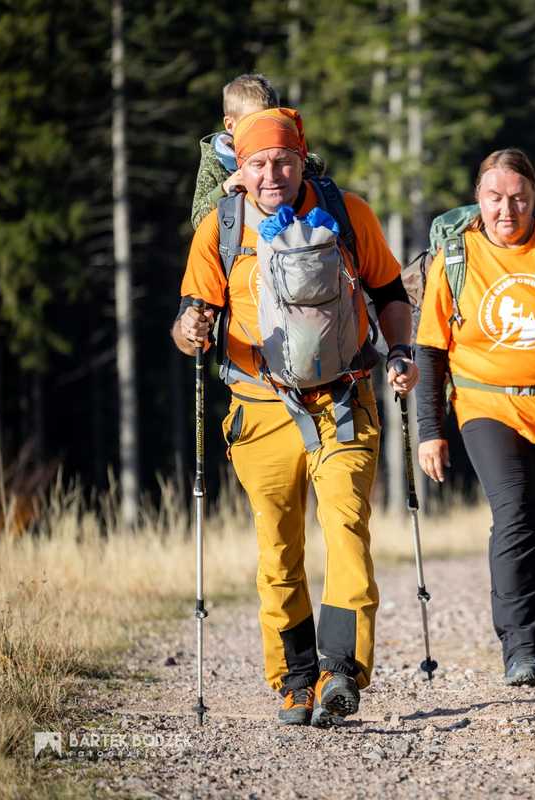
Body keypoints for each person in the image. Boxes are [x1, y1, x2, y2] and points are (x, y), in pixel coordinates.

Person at [171, 106, 418, 727]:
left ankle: (341, 671)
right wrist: (191, 329)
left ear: (302, 157)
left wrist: (402, 351)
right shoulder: (221, 228)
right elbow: (190, 316)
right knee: (278, 550)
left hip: (343, 399)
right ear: (240, 168)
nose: (272, 172)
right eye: (258, 162)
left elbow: (389, 292)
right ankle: (294, 680)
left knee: (346, 531)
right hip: (259, 407)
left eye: (283, 159)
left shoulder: (349, 213)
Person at [414, 148, 535, 687]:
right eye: (495, 198)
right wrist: (430, 432)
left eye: (518, 198)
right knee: (515, 516)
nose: (507, 209)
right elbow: (430, 349)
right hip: (486, 405)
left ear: (534, 197)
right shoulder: (458, 255)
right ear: (479, 199)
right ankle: (518, 646)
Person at [190, 73, 326, 229]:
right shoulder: (216, 159)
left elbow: (317, 164)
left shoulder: (284, 150)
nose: (261, 129)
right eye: (251, 123)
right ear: (230, 125)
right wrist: (226, 187)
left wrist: (290, 167)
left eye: (269, 121)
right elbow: (198, 219)